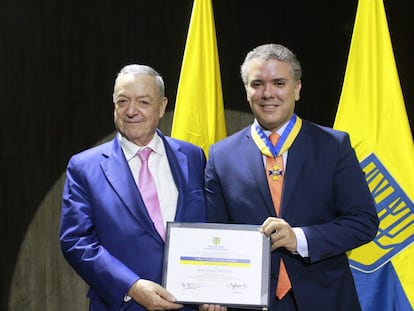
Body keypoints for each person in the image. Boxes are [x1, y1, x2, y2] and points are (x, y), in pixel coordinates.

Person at [205, 43, 379, 311]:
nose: (267, 93)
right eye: (257, 84)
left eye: (278, 83)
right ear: (247, 90)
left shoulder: (333, 146)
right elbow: (214, 233)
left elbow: (363, 222)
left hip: (326, 299)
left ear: (297, 89)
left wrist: (299, 238)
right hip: (249, 301)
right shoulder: (221, 155)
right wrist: (213, 289)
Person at [60, 64, 223, 311]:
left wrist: (214, 286)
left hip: (190, 305)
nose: (131, 111)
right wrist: (131, 286)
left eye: (143, 102)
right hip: (123, 304)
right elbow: (76, 241)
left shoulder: (192, 156)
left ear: (162, 106)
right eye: (122, 101)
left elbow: (211, 225)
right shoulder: (84, 167)